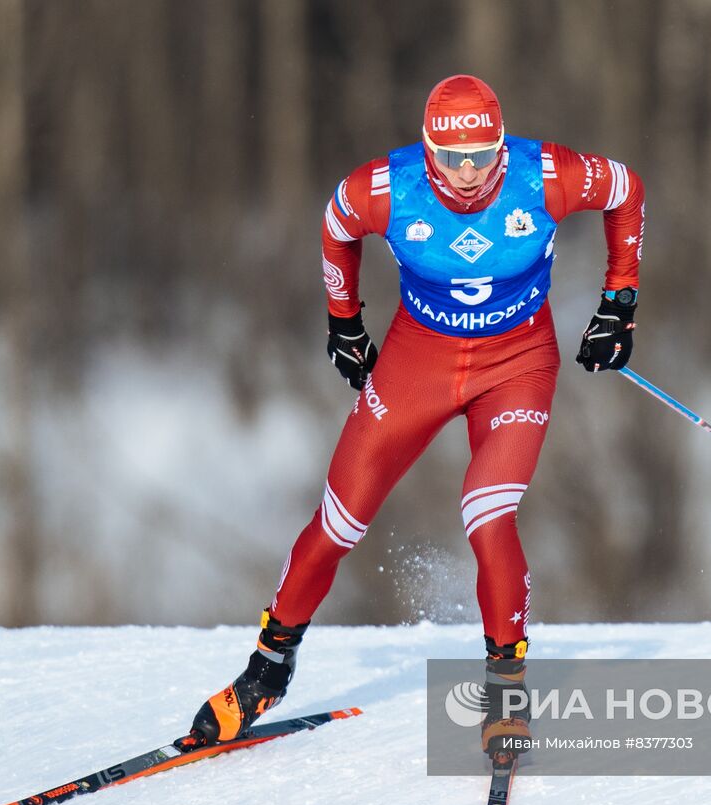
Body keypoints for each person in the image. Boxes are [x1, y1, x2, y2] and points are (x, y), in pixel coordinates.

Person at [182, 74, 643, 754]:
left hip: (516, 365)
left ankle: (506, 688)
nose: (465, 175)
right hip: (417, 362)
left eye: (482, 157)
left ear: (501, 148)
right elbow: (336, 225)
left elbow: (626, 190)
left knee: (486, 512)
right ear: (426, 149)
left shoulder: (548, 173)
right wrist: (344, 323)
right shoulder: (385, 187)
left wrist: (619, 302)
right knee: (336, 522)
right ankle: (266, 670)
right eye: (450, 157)